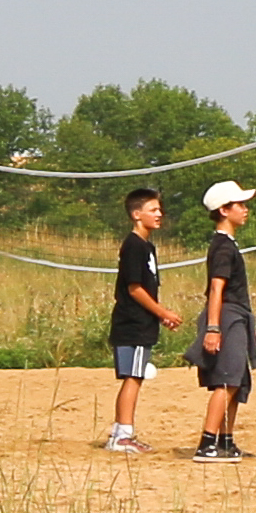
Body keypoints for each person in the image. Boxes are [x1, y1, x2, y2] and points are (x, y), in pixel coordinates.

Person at [187, 179, 256, 463]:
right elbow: (216, 289)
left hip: (236, 317)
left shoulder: (228, 245)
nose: (245, 209)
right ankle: (207, 443)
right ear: (223, 210)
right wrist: (214, 328)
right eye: (239, 204)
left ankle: (226, 442)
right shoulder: (222, 247)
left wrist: (250, 327)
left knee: (238, 382)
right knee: (227, 379)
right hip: (227, 317)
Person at [104, 186, 179, 455]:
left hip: (141, 322)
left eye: (160, 209)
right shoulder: (134, 246)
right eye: (153, 210)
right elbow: (135, 289)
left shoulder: (147, 246)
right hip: (132, 324)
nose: (159, 214)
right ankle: (123, 436)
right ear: (137, 214)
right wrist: (163, 312)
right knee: (133, 377)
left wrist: (158, 315)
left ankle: (119, 433)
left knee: (134, 376)